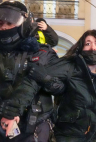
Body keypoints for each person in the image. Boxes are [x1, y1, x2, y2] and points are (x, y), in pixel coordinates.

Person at [26, 29, 96, 142]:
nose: (93, 48)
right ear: (81, 48)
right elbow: (52, 86)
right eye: (88, 44)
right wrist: (47, 80)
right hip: (70, 136)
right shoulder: (69, 68)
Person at [0, 1, 59, 142]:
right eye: (0, 23)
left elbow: (31, 83)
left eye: (9, 23)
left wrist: (11, 112)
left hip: (34, 126)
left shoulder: (42, 52)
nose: (4, 27)